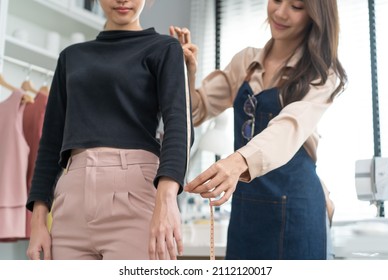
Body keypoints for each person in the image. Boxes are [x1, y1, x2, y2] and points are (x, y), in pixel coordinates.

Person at [171, 0, 346, 260]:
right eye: (276, 0)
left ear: (314, 16)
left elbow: (288, 129)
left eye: (297, 6)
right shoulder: (245, 62)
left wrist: (237, 161)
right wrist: (186, 72)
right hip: (247, 210)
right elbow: (196, 111)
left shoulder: (322, 74)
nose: (280, 12)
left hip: (298, 209)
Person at [26, 0, 193, 260]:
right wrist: (37, 223)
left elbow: (178, 126)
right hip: (71, 202)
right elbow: (50, 143)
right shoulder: (71, 57)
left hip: (136, 196)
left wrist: (167, 200)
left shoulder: (165, 48)